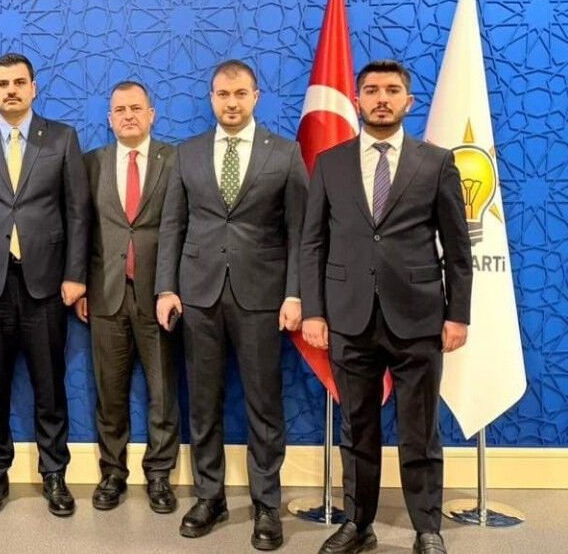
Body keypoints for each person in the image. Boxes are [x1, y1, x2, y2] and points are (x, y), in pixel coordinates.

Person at [301, 60, 471, 554]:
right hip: (348, 316)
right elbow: (312, 243)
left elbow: (457, 248)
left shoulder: (436, 162)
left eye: (392, 90)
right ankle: (358, 524)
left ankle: (427, 528)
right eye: (372, 90)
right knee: (357, 429)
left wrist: (458, 315)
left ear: (408, 102)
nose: (381, 98)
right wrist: (314, 311)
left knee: (420, 430)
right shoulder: (330, 162)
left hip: (419, 317)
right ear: (356, 100)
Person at [155, 59, 306, 551]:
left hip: (262, 297)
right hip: (198, 296)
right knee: (203, 403)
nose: (232, 103)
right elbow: (173, 226)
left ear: (256, 97)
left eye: (240, 94)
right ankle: (210, 496)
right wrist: (165, 288)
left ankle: (266, 504)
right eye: (223, 94)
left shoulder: (285, 153)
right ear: (212, 98)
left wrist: (295, 293)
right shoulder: (188, 153)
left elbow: (300, 232)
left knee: (264, 405)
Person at [0, 52, 90, 518]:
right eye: (3, 83)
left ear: (33, 88)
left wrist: (75, 275)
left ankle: (55, 474)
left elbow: (77, 213)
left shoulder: (62, 138)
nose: (11, 90)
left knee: (50, 386)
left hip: (46, 284)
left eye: (19, 82)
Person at [77, 80, 179, 513]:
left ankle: (159, 475)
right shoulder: (91, 164)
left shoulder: (175, 160)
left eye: (136, 108)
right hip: (105, 293)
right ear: (110, 119)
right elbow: (80, 228)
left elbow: (181, 228)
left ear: (151, 114)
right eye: (120, 110)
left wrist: (173, 287)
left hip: (159, 295)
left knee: (163, 393)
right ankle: (112, 474)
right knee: (110, 392)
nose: (128, 116)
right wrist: (80, 283)